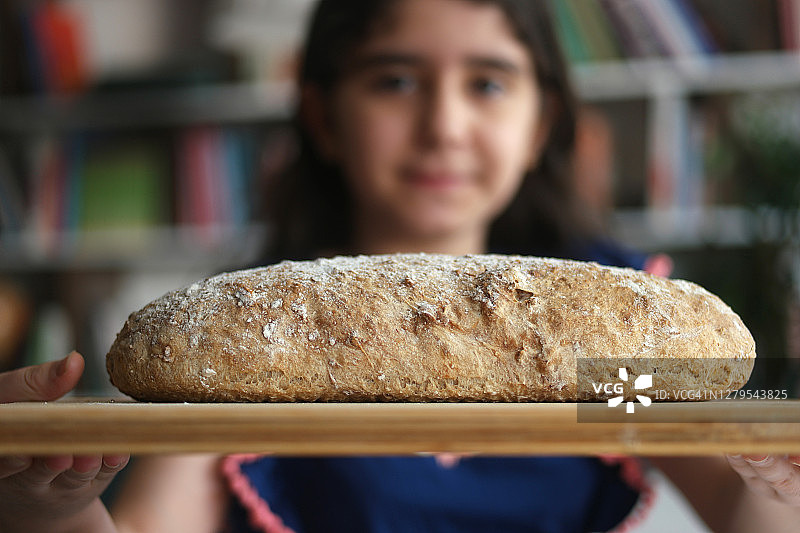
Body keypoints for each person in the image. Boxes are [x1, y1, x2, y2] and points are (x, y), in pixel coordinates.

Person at [1, 1, 799, 531]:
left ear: (540, 121)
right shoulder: (256, 346)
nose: (444, 124)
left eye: (487, 82)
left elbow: (738, 502)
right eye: (395, 80)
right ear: (323, 115)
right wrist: (54, 509)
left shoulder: (607, 350)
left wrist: (779, 480)